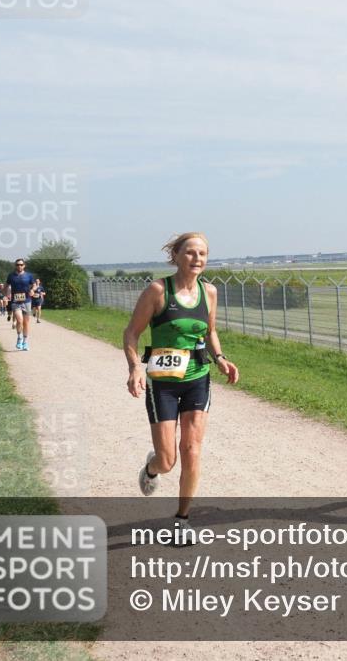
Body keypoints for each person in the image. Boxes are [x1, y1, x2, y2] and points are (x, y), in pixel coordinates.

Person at [123, 232, 239, 543]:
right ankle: (151, 468)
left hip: (197, 379)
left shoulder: (210, 292)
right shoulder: (158, 291)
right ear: (175, 255)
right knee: (168, 460)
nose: (197, 259)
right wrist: (135, 367)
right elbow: (131, 333)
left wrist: (221, 358)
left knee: (192, 450)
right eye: (190, 253)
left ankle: (182, 519)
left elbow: (211, 331)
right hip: (161, 383)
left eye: (202, 253)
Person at [5, 260, 35, 350]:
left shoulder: (29, 276)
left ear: (24, 266)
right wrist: (4, 295)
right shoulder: (11, 276)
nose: (19, 266)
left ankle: (25, 342)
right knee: (19, 320)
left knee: (26, 323)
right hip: (15, 301)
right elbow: (5, 286)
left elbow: (34, 285)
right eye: (17, 265)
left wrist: (33, 290)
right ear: (15, 266)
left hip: (27, 301)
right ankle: (19, 338)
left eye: (21, 264)